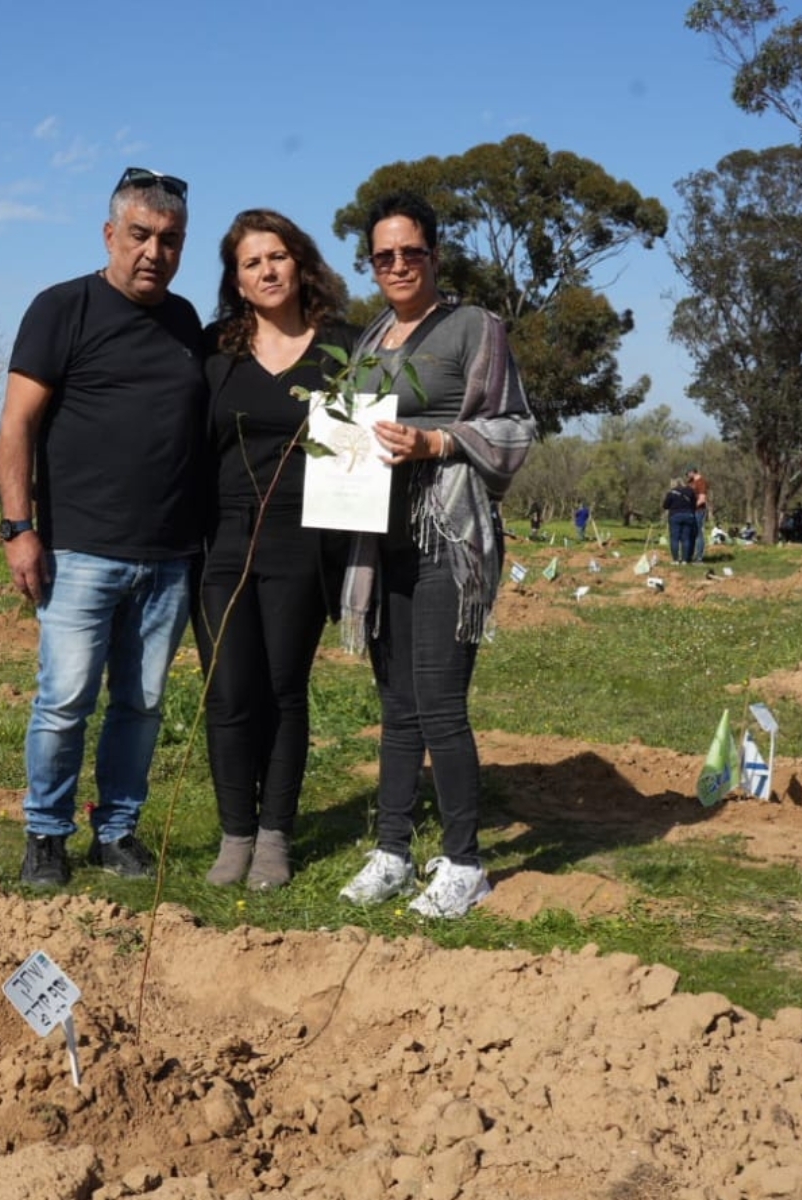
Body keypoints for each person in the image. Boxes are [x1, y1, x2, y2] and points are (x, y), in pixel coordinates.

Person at [0, 166, 206, 888]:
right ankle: (46, 834)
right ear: (110, 234)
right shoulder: (62, 308)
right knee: (63, 702)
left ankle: (116, 832)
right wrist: (17, 528)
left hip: (170, 555)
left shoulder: (185, 323)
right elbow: (17, 424)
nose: (155, 252)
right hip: (79, 551)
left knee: (143, 705)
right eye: (141, 236)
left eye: (171, 240)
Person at [337, 191, 535, 920]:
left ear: (434, 256)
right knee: (396, 709)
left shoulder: (474, 329)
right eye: (382, 256)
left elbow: (514, 426)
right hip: (378, 542)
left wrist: (438, 441)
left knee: (441, 705)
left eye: (409, 253)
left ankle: (463, 863)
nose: (396, 266)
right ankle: (392, 850)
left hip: (448, 541)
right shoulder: (367, 341)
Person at [194, 208, 356, 892]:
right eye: (251, 262)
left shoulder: (345, 350)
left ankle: (274, 837)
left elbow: (362, 455)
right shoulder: (214, 352)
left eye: (277, 257)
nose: (266, 270)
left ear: (301, 263)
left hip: (305, 540)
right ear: (236, 279)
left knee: (285, 692)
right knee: (230, 692)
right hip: (221, 542)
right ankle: (235, 834)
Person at [663, 474, 700, 564]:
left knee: (674, 538)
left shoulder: (671, 492)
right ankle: (684, 560)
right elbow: (694, 504)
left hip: (675, 516)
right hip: (688, 516)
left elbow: (665, 506)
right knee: (686, 538)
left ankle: (675, 560)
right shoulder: (690, 491)